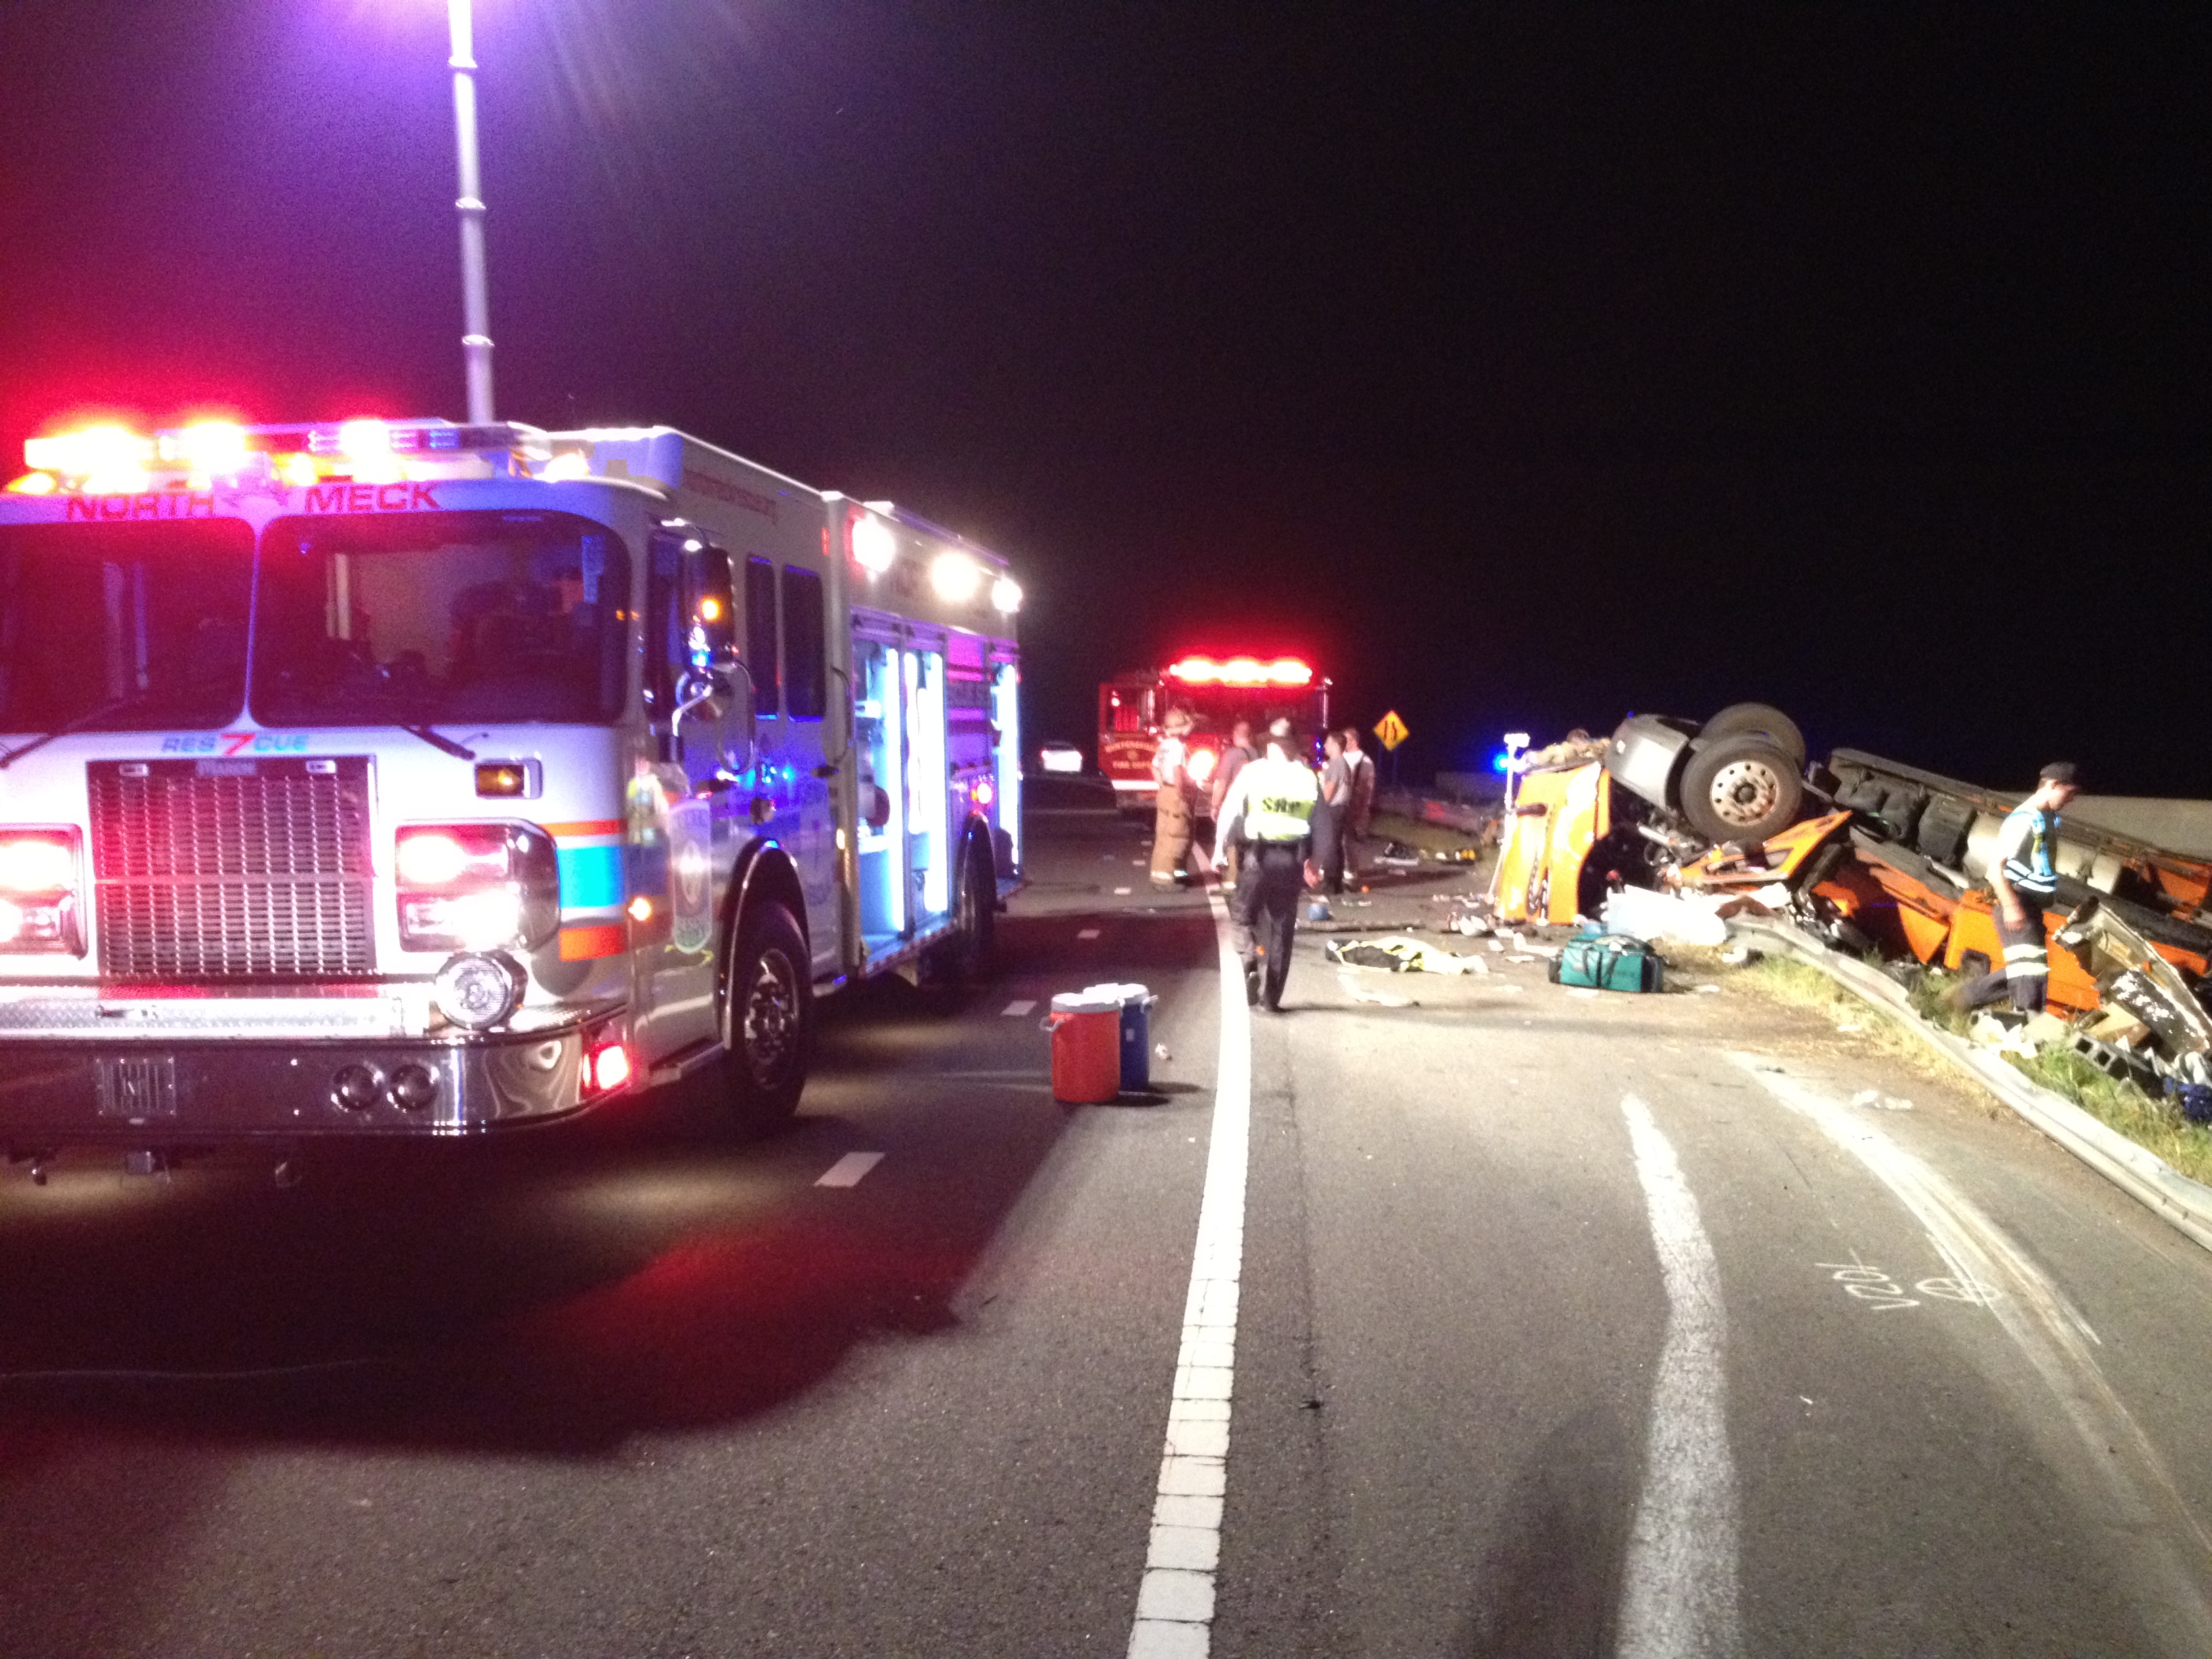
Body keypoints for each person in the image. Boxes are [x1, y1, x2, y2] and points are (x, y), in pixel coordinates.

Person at [1953, 762, 2080, 1015]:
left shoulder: (2044, 819)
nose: (2071, 800)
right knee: (2029, 975)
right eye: (2070, 793)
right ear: (2054, 784)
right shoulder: (2025, 820)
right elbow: (1994, 870)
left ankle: (1959, 1000)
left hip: (2028, 904)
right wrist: (2011, 906)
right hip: (2016, 900)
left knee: (2028, 969)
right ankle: (2025, 1024)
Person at [1216, 718, 1319, 1010]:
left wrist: (1219, 851)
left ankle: (1250, 962)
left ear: (1270, 745)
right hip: (1292, 860)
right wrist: (1317, 861)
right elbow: (1322, 824)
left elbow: (1230, 812)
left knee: (1242, 918)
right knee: (1282, 930)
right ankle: (1272, 999)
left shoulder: (1253, 772)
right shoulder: (1307, 777)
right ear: (1293, 746)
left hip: (1258, 858)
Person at [1149, 705, 1201, 888]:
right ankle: (1167, 879)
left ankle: (1178, 874)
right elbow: (1178, 771)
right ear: (1183, 728)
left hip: (1165, 792)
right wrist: (1182, 793)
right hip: (1176, 795)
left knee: (1164, 835)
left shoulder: (1164, 745)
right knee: (1178, 837)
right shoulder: (1178, 747)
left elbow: (1154, 767)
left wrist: (1163, 785)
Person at [1208, 718, 1254, 892]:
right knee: (1250, 843)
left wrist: (1215, 804)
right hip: (1254, 806)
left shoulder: (1232, 754)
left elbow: (1222, 782)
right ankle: (1248, 882)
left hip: (1234, 805)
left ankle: (1231, 882)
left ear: (1235, 735)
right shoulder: (1259, 754)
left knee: (1231, 841)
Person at [1312, 729, 1349, 895]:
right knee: (1337, 846)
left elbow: (1329, 791)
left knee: (1330, 846)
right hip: (1340, 809)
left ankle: (1330, 884)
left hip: (1332, 809)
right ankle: (1336, 883)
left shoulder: (1336, 764)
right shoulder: (1342, 763)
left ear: (1335, 745)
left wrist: (1319, 806)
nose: (1325, 746)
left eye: (1327, 742)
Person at [1341, 726, 1376, 873]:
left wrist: (1363, 809)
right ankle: (1337, 868)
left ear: (1354, 741)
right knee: (1335, 839)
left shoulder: (1365, 761)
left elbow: (1368, 787)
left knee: (1348, 840)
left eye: (1345, 739)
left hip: (1354, 805)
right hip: (1338, 804)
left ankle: (1350, 870)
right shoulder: (1340, 757)